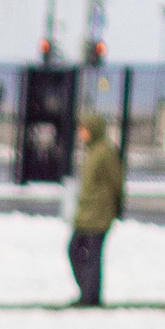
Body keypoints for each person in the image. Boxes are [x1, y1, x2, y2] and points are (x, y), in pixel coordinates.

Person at [70, 112, 124, 307]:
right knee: (75, 251)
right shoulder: (92, 151)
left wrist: (117, 207)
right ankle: (87, 293)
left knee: (91, 256)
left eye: (83, 129)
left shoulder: (105, 152)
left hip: (99, 214)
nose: (80, 133)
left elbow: (116, 181)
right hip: (86, 213)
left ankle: (90, 298)